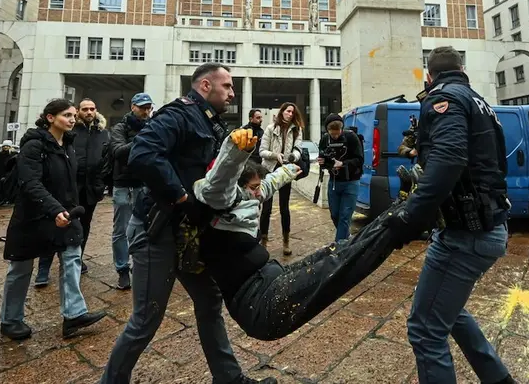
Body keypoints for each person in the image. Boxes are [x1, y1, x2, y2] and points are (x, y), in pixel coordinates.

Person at [101, 63, 273, 384]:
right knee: (146, 319)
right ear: (205, 86)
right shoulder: (178, 114)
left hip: (188, 232)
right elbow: (143, 153)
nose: (232, 93)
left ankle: (229, 378)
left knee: (209, 302)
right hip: (159, 230)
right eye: (227, 87)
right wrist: (182, 198)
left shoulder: (211, 121)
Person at [385, 46, 516, 384]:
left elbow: (449, 159)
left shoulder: (442, 99)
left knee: (426, 329)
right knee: (449, 311)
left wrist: (410, 217)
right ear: (462, 68)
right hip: (488, 225)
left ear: (430, 76)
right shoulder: (478, 101)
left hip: (466, 234)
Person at [194, 128, 398, 341]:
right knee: (337, 267)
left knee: (332, 252)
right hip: (259, 306)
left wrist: (291, 168)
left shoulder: (249, 195)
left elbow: (271, 182)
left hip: (269, 280)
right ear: (240, 185)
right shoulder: (223, 199)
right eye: (253, 188)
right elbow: (218, 184)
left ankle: (394, 214)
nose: (257, 193)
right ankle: (400, 223)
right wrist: (235, 153)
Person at [0, 98, 106, 341]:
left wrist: (71, 207)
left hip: (64, 213)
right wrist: (53, 209)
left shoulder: (68, 144)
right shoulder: (34, 146)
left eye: (72, 116)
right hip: (33, 215)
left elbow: (69, 182)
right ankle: (10, 320)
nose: (71, 119)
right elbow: (30, 183)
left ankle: (74, 314)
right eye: (66, 115)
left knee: (71, 258)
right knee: (21, 267)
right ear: (50, 118)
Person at [36, 99, 108, 284]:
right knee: (55, 224)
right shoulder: (70, 130)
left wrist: (100, 185)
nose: (89, 112)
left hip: (90, 189)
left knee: (83, 226)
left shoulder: (102, 133)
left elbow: (105, 161)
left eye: (92, 109)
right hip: (67, 189)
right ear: (78, 111)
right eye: (85, 109)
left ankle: (76, 260)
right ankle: (43, 269)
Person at [107, 92, 154, 291]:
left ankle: (139, 264)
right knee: (121, 228)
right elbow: (117, 151)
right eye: (142, 107)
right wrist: (142, 139)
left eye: (148, 107)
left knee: (143, 226)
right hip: (124, 183)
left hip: (145, 183)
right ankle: (122, 268)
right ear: (133, 106)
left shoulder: (152, 126)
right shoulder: (120, 127)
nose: (145, 111)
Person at [258, 102, 304, 255]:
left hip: (285, 169)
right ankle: (263, 241)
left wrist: (293, 156)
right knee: (266, 207)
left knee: (285, 207)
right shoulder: (270, 128)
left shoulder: (297, 130)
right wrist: (275, 155)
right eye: (287, 111)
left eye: (292, 112)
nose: (290, 114)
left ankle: (286, 242)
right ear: (282, 111)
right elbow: (262, 151)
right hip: (269, 169)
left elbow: (298, 149)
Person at [317, 113, 364, 241]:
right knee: (335, 215)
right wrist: (323, 162)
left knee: (345, 216)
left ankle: (338, 247)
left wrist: (343, 164)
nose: (335, 137)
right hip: (334, 182)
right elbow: (324, 159)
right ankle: (346, 237)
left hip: (351, 181)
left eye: (338, 134)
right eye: (333, 134)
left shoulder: (351, 138)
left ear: (342, 129)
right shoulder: (325, 139)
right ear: (327, 131)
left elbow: (359, 159)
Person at [0, 140, 18, 205]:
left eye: (7, 146)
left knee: (8, 187)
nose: (5, 147)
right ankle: (2, 200)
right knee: (0, 188)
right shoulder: (0, 154)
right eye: (4, 146)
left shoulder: (14, 154)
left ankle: (7, 200)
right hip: (0, 173)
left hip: (9, 173)